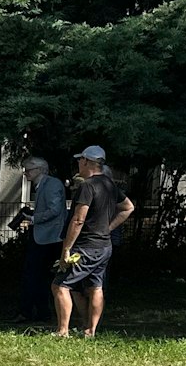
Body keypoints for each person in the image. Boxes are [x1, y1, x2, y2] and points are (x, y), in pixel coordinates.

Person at [54, 144, 133, 338]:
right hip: (104, 246)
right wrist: (108, 228)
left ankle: (62, 331)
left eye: (80, 160)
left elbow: (78, 219)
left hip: (85, 246)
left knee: (60, 285)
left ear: (87, 162)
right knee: (96, 287)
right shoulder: (109, 185)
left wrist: (67, 249)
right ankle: (91, 330)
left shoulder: (87, 186)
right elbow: (128, 207)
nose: (78, 163)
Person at [17, 155, 67, 324]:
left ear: (40, 170)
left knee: (36, 275)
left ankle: (37, 313)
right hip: (43, 236)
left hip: (49, 238)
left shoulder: (51, 184)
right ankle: (38, 312)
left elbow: (54, 210)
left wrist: (33, 218)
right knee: (35, 276)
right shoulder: (41, 186)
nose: (26, 173)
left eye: (28, 170)